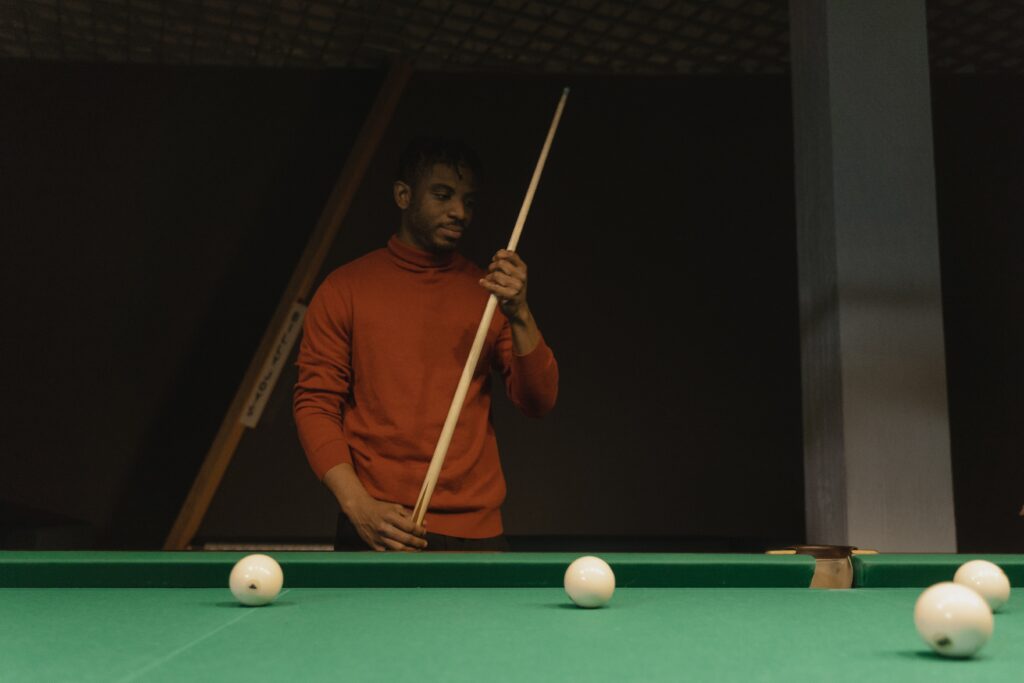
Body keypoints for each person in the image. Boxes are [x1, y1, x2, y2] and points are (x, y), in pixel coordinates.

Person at [293, 138, 559, 551]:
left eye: (468, 201)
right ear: (403, 195)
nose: (459, 212)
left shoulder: (488, 294)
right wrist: (357, 505)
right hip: (377, 524)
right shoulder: (344, 288)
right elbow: (315, 404)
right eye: (443, 195)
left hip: (476, 531)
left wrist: (521, 313)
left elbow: (538, 401)